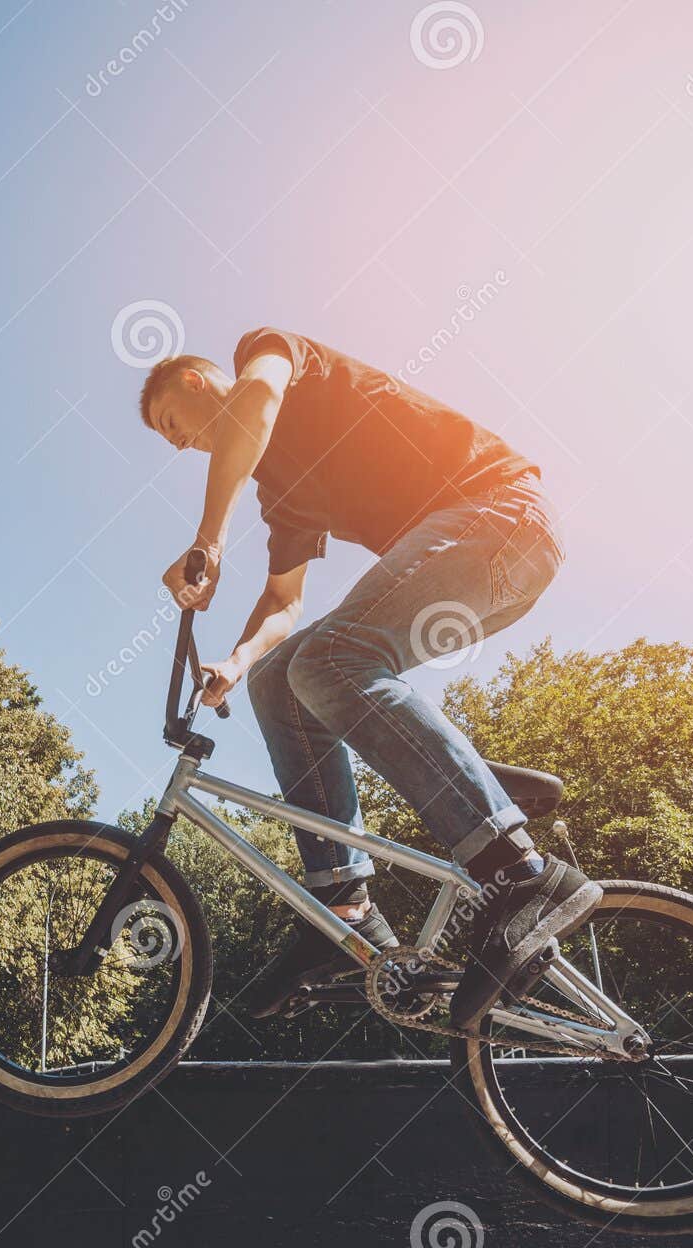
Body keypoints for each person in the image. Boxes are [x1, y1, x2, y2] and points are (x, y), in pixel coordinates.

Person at [141, 327, 600, 1032]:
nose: (176, 444)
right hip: (481, 565)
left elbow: (257, 400)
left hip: (500, 517)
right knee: (279, 679)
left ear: (199, 383)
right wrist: (235, 661)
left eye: (171, 424)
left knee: (332, 664)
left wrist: (208, 538)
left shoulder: (268, 356)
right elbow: (283, 602)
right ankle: (342, 907)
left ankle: (520, 871)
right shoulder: (283, 495)